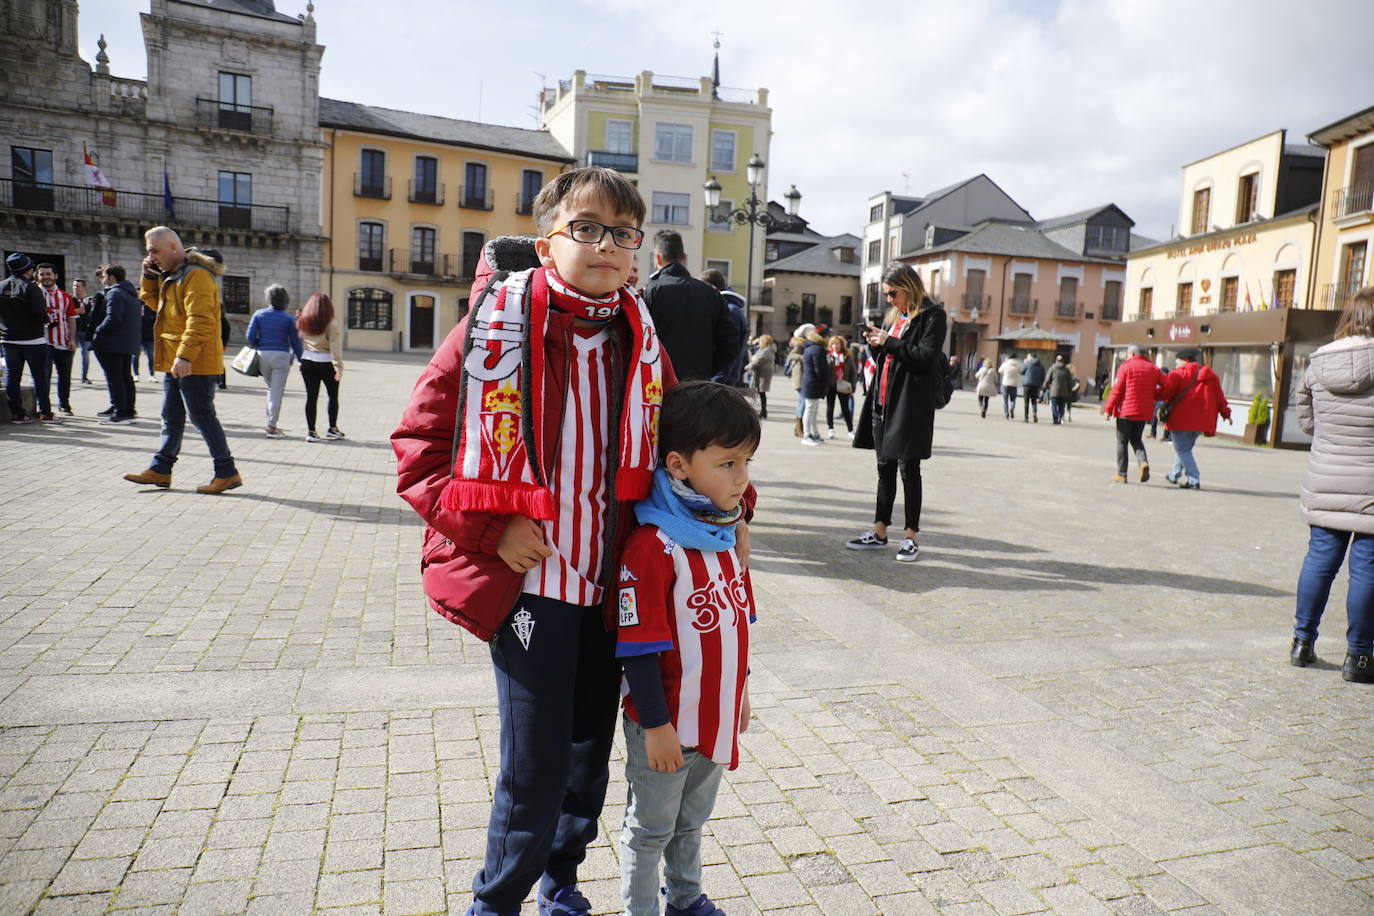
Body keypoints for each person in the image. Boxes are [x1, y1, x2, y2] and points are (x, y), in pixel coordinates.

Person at [392, 168, 704, 916]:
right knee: (533, 765)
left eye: (622, 233)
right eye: (586, 228)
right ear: (546, 244)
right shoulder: (491, 330)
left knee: (587, 758)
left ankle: (559, 881)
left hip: (612, 591)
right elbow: (419, 453)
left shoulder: (641, 339)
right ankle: (494, 902)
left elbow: (682, 449)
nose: (606, 245)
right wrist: (491, 528)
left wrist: (737, 505)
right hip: (534, 591)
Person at [615, 380, 755, 916]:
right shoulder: (654, 547)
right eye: (727, 463)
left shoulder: (725, 535)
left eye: (747, 462)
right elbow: (637, 648)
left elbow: (736, 625)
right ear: (678, 465)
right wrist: (655, 725)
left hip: (713, 719)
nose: (741, 479)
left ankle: (686, 899)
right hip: (667, 725)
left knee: (691, 822)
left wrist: (741, 693)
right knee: (649, 830)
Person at [1291, 289, 1374, 682]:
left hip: (1326, 478)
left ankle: (1302, 643)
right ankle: (1358, 659)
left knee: (1319, 563)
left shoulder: (1318, 363)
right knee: (1367, 571)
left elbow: (1306, 422)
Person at [123, 227, 241, 494]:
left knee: (202, 417)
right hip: (176, 360)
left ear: (173, 248)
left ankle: (227, 472)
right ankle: (161, 469)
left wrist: (185, 355)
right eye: (148, 252)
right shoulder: (173, 275)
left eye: (154, 251)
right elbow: (157, 306)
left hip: (193, 361)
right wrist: (148, 277)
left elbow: (200, 320)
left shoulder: (196, 275)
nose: (151, 257)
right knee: (171, 416)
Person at [848, 263, 947, 562]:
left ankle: (911, 536)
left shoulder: (932, 316)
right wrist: (876, 344)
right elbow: (889, 358)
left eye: (893, 293)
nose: (889, 300)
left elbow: (926, 358)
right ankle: (879, 531)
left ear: (908, 287)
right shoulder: (895, 316)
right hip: (883, 403)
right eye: (886, 295)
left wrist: (889, 342)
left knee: (909, 470)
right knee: (884, 468)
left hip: (909, 405)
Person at [642, 230, 740, 381]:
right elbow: (730, 342)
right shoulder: (712, 293)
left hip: (658, 382)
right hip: (699, 382)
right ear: (684, 258)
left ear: (658, 258)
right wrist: (706, 369)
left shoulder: (650, 291)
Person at [1157, 349, 1230, 489]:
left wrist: (1151, 393)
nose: (1176, 362)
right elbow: (1220, 397)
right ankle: (1174, 474)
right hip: (1201, 421)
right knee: (1184, 449)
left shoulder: (1178, 374)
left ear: (1184, 360)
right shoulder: (1211, 376)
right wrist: (1226, 414)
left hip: (1181, 419)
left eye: (1177, 360)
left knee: (1182, 449)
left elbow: (1165, 392)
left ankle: (1194, 479)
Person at [0, 252, 53, 423]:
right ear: (27, 269)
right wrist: (47, 320)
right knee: (40, 377)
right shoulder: (30, 288)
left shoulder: (1, 286)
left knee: (12, 378)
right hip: (33, 340)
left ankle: (18, 414)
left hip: (8, 340)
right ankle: (45, 413)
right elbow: (39, 311)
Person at [246, 284, 303, 438]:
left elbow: (250, 337)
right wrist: (301, 360)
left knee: (271, 388)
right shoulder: (289, 319)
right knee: (277, 390)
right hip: (282, 356)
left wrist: (259, 344)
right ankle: (272, 426)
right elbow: (296, 342)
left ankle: (270, 419)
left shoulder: (259, 314)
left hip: (263, 354)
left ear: (268, 298)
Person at [1103, 343, 1164, 484]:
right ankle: (1143, 462)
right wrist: (1156, 395)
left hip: (1126, 411)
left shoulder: (1126, 367)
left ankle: (1122, 474)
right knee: (1136, 439)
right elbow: (1165, 385)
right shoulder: (1153, 368)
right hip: (1143, 412)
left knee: (1122, 442)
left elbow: (1117, 390)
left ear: (1133, 354)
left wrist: (1108, 409)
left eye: (1128, 353)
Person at [91, 264, 141, 424]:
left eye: (104, 276)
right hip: (125, 343)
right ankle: (128, 410)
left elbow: (113, 318)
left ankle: (121, 413)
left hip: (112, 343)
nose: (103, 279)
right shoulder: (130, 293)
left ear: (112, 277)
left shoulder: (115, 293)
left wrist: (98, 331)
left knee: (116, 379)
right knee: (125, 377)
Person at [297, 292, 345, 442]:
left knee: (311, 397)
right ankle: (332, 429)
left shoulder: (304, 320)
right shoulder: (331, 324)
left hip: (307, 361)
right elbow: (335, 348)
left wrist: (300, 360)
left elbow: (300, 342)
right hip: (326, 363)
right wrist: (338, 367)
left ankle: (311, 431)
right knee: (333, 396)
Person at [38, 263, 79, 416]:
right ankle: (44, 406)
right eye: (42, 274)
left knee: (65, 376)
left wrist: (72, 339)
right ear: (38, 277)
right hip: (42, 342)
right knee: (43, 376)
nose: (46, 277)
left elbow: (71, 318)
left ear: (55, 276)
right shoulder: (34, 294)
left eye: (48, 274)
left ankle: (64, 404)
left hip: (63, 342)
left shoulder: (65, 296)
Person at [701, 268, 749, 387]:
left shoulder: (730, 311)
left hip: (723, 383)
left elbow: (729, 353)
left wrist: (715, 382)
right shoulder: (729, 309)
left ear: (712, 288)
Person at [798, 324, 828, 445]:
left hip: (810, 382)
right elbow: (819, 369)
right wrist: (825, 380)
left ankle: (814, 434)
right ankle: (807, 435)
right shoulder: (817, 348)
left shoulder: (810, 347)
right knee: (810, 410)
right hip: (813, 383)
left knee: (812, 410)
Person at [825, 334, 856, 439]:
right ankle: (830, 429)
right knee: (830, 408)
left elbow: (853, 372)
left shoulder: (847, 356)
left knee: (845, 408)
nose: (835, 346)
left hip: (843, 385)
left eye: (837, 344)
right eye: (833, 344)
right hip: (831, 385)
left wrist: (853, 386)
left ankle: (850, 430)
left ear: (841, 345)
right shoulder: (828, 355)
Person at [745, 334, 775, 419]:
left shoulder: (767, 351)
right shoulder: (763, 349)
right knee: (761, 393)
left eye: (761, 341)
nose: (759, 342)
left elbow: (758, 360)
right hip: (761, 373)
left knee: (762, 393)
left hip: (763, 374)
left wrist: (748, 366)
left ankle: (763, 411)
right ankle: (763, 411)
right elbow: (754, 358)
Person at [72, 277, 95, 384]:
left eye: (78, 286)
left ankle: (84, 377)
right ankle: (66, 376)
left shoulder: (90, 301)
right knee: (69, 355)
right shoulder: (70, 299)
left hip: (85, 332)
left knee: (85, 355)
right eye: (74, 286)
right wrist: (76, 311)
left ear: (84, 287)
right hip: (73, 332)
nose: (75, 288)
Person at [1044, 354, 1075, 424]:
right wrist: (1070, 391)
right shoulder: (1066, 370)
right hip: (1063, 392)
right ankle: (1059, 417)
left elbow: (1047, 379)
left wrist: (1045, 387)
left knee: (1054, 406)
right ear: (1063, 361)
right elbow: (1069, 381)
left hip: (1054, 391)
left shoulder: (1052, 368)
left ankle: (1055, 419)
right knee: (1062, 407)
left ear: (1056, 360)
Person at [786, 332, 806, 437]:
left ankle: (798, 428)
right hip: (800, 377)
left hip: (801, 377)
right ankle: (799, 428)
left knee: (802, 402)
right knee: (803, 402)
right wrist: (804, 357)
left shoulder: (803, 344)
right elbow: (791, 355)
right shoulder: (800, 345)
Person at [1020, 351, 1045, 422]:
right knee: (1034, 401)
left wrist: (1025, 363)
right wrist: (1039, 384)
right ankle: (1034, 413)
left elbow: (1022, 372)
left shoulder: (1027, 364)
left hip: (1027, 385)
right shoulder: (1041, 365)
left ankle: (1026, 417)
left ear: (1031, 357)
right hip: (1036, 386)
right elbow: (1043, 377)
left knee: (1026, 402)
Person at [998, 352, 1022, 419]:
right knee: (1013, 399)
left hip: (1005, 383)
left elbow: (1000, 371)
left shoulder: (1005, 364)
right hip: (1014, 384)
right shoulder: (1018, 365)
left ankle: (1006, 414)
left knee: (1005, 400)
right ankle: (1012, 408)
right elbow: (1021, 372)